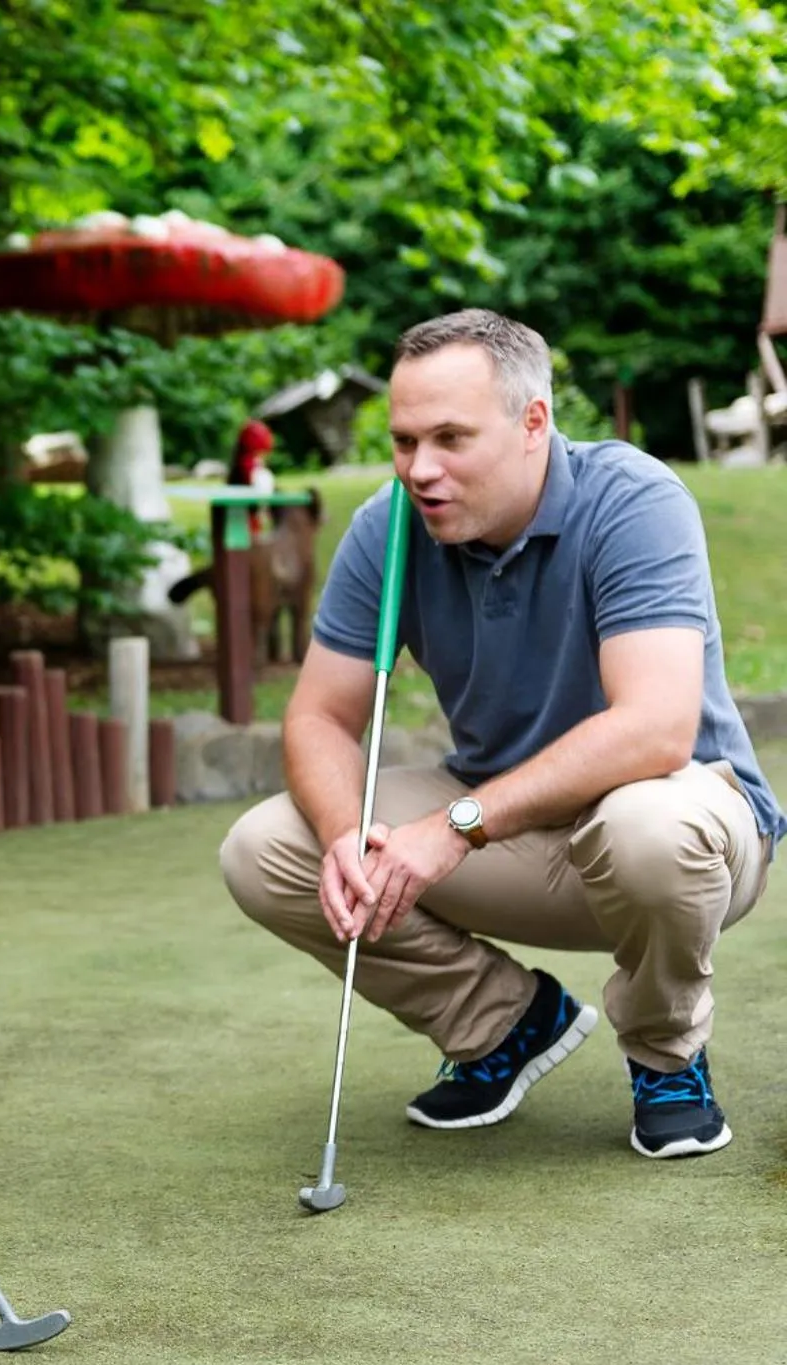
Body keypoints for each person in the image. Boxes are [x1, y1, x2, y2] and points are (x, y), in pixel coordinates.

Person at [220, 308, 781, 1165]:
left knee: (645, 828)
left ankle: (667, 1057)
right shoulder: (389, 525)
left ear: (533, 424)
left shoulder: (633, 499)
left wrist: (452, 830)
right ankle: (503, 1025)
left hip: (681, 834)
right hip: (504, 834)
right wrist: (346, 838)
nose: (421, 469)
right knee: (266, 848)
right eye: (406, 442)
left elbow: (656, 729)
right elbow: (320, 716)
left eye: (450, 437)